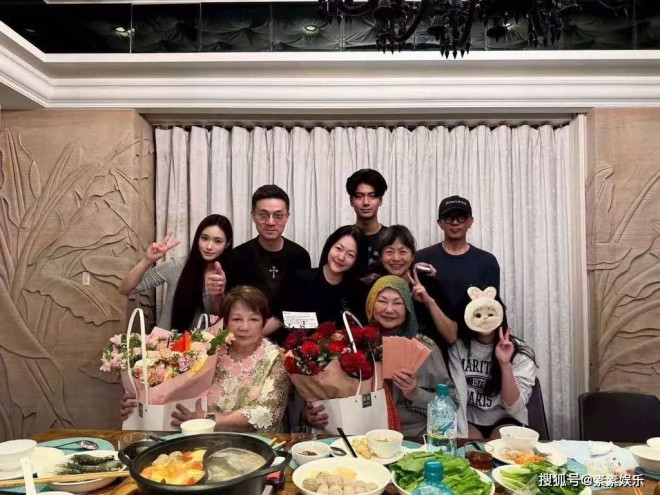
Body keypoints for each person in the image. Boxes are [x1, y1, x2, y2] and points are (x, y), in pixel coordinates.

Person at [120, 286, 290, 433]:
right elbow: (172, 388)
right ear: (225, 322)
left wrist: (208, 418)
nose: (244, 327)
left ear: (263, 323)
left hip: (256, 444)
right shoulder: (208, 349)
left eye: (254, 319)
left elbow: (267, 412)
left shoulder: (275, 357)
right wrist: (142, 402)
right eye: (237, 319)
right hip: (200, 436)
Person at [304, 276, 457, 437]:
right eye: (382, 301)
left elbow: (453, 403)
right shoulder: (352, 344)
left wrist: (415, 393)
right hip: (361, 438)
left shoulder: (425, 349)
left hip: (411, 439)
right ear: (371, 305)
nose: (389, 309)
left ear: (408, 308)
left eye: (398, 303)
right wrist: (311, 414)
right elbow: (328, 393)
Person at [118, 214, 232, 330]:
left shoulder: (231, 272)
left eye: (218, 241)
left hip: (204, 341)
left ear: (227, 243)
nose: (209, 246)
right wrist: (147, 260)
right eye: (204, 238)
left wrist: (217, 296)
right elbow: (125, 289)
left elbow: (223, 320)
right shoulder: (177, 266)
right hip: (165, 340)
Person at [230, 185, 312, 345]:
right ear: (253, 216)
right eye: (263, 215)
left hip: (289, 342)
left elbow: (300, 305)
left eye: (278, 216)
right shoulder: (238, 256)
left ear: (287, 217)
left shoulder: (300, 256)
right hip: (245, 338)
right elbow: (233, 305)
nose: (270, 222)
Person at [449, 290, 536, 439]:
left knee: (501, 446)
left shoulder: (519, 351)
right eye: (477, 314)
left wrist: (505, 364)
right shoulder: (458, 348)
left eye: (490, 313)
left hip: (507, 418)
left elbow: (514, 407)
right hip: (469, 419)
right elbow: (458, 394)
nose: (484, 319)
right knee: (472, 448)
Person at [416, 195, 500, 318]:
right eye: (449, 218)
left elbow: (494, 306)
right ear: (440, 223)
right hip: (429, 329)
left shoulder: (487, 261)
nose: (455, 222)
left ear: (470, 222)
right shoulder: (422, 259)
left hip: (474, 328)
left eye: (461, 217)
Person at [376, 225, 457, 347]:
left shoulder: (428, 283)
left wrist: (428, 301)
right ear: (381, 257)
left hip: (428, 354)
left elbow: (451, 336)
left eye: (402, 252)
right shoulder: (376, 287)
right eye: (389, 252)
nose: (396, 258)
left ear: (413, 256)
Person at [282, 225, 367, 327]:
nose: (341, 257)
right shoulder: (299, 279)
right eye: (338, 248)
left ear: (356, 260)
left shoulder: (359, 291)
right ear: (330, 246)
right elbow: (285, 320)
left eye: (350, 255)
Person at [345, 169, 388, 285]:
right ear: (351, 201)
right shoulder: (341, 239)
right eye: (359, 196)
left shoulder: (392, 238)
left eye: (372, 196)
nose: (366, 202)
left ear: (380, 200)